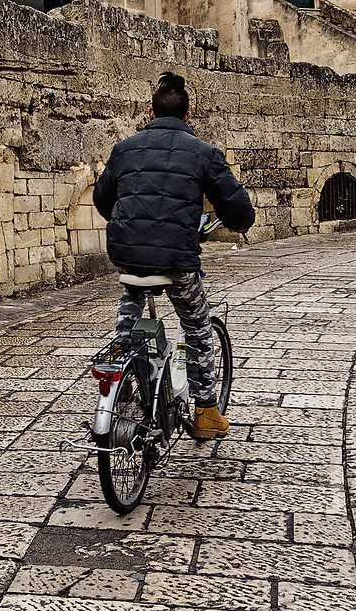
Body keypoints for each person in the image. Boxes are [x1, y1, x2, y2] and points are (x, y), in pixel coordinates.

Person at [92, 71, 254, 440]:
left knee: (130, 305)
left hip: (126, 253)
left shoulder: (124, 148)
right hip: (177, 259)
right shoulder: (204, 153)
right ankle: (207, 413)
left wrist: (130, 222)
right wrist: (236, 220)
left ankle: (122, 378)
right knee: (197, 327)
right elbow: (240, 213)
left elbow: (103, 200)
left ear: (149, 113)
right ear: (187, 117)